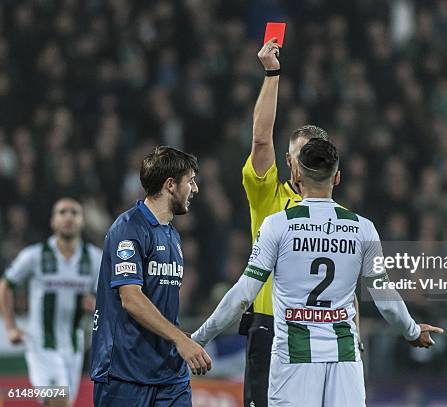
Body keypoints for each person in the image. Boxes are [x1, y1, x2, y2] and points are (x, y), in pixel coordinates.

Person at [193, 138, 443, 406]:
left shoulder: (277, 226)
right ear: (337, 177)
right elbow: (385, 297)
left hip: (292, 357)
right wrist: (412, 331)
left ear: (297, 174)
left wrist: (199, 338)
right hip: (344, 358)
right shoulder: (363, 229)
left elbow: (243, 294)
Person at [240, 38, 362, 406]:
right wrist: (272, 73)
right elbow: (261, 139)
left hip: (327, 333)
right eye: (296, 154)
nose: (300, 161)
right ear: (288, 159)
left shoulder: (338, 218)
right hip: (272, 327)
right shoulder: (269, 197)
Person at [89, 146, 211, 406]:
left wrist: (180, 338)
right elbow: (131, 298)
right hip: (125, 374)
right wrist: (180, 339)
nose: (195, 189)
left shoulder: (172, 235)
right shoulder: (128, 229)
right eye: (190, 181)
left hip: (169, 375)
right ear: (170, 185)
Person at [0, 197, 103, 406]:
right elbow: (6, 285)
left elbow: (110, 296)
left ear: (82, 221)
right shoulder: (35, 256)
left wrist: (97, 304)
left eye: (74, 213)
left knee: (59, 401)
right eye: (62, 212)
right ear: (53, 221)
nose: (68, 217)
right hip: (41, 345)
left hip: (74, 347)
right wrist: (11, 326)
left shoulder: (94, 258)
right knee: (59, 398)